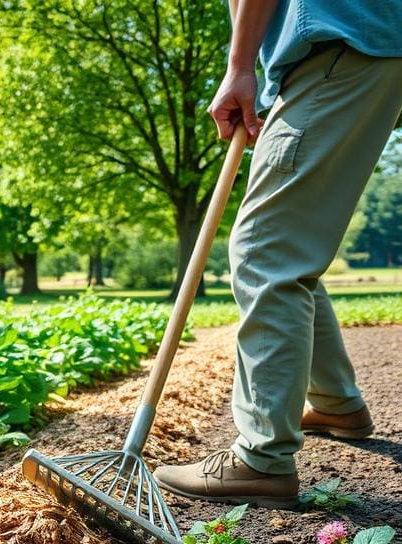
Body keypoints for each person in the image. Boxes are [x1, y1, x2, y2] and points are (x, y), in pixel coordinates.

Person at [154, 0, 402, 509]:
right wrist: (264, 81)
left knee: (265, 248)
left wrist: (239, 68)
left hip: (336, 42)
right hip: (358, 43)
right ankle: (336, 403)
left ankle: (260, 460)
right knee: (289, 245)